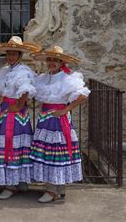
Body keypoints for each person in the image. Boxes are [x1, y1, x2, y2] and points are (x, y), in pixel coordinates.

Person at [30, 46, 90, 203]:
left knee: (55, 153)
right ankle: (59, 188)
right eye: (49, 59)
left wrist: (66, 109)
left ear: (61, 62)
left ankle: (51, 190)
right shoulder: (43, 77)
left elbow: (83, 95)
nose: (51, 63)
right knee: (49, 152)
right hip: (45, 119)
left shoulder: (67, 78)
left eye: (55, 60)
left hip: (57, 121)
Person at [0, 36, 41, 200]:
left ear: (20, 55)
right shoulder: (8, 70)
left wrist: (18, 105)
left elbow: (25, 88)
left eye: (14, 54)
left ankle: (12, 185)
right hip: (8, 111)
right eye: (8, 54)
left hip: (15, 114)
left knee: (11, 145)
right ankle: (19, 182)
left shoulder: (22, 71)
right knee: (17, 145)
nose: (10, 57)